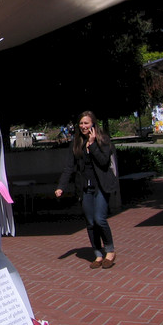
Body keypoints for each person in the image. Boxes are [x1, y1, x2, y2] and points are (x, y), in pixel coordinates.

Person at [55, 111, 117, 269]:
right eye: (81, 123)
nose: (83, 126)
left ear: (93, 124)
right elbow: (69, 167)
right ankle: (97, 254)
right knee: (90, 222)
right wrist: (61, 186)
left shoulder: (103, 140)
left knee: (99, 219)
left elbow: (104, 162)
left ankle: (109, 251)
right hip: (85, 187)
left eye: (86, 123)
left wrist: (93, 144)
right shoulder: (76, 142)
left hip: (101, 186)